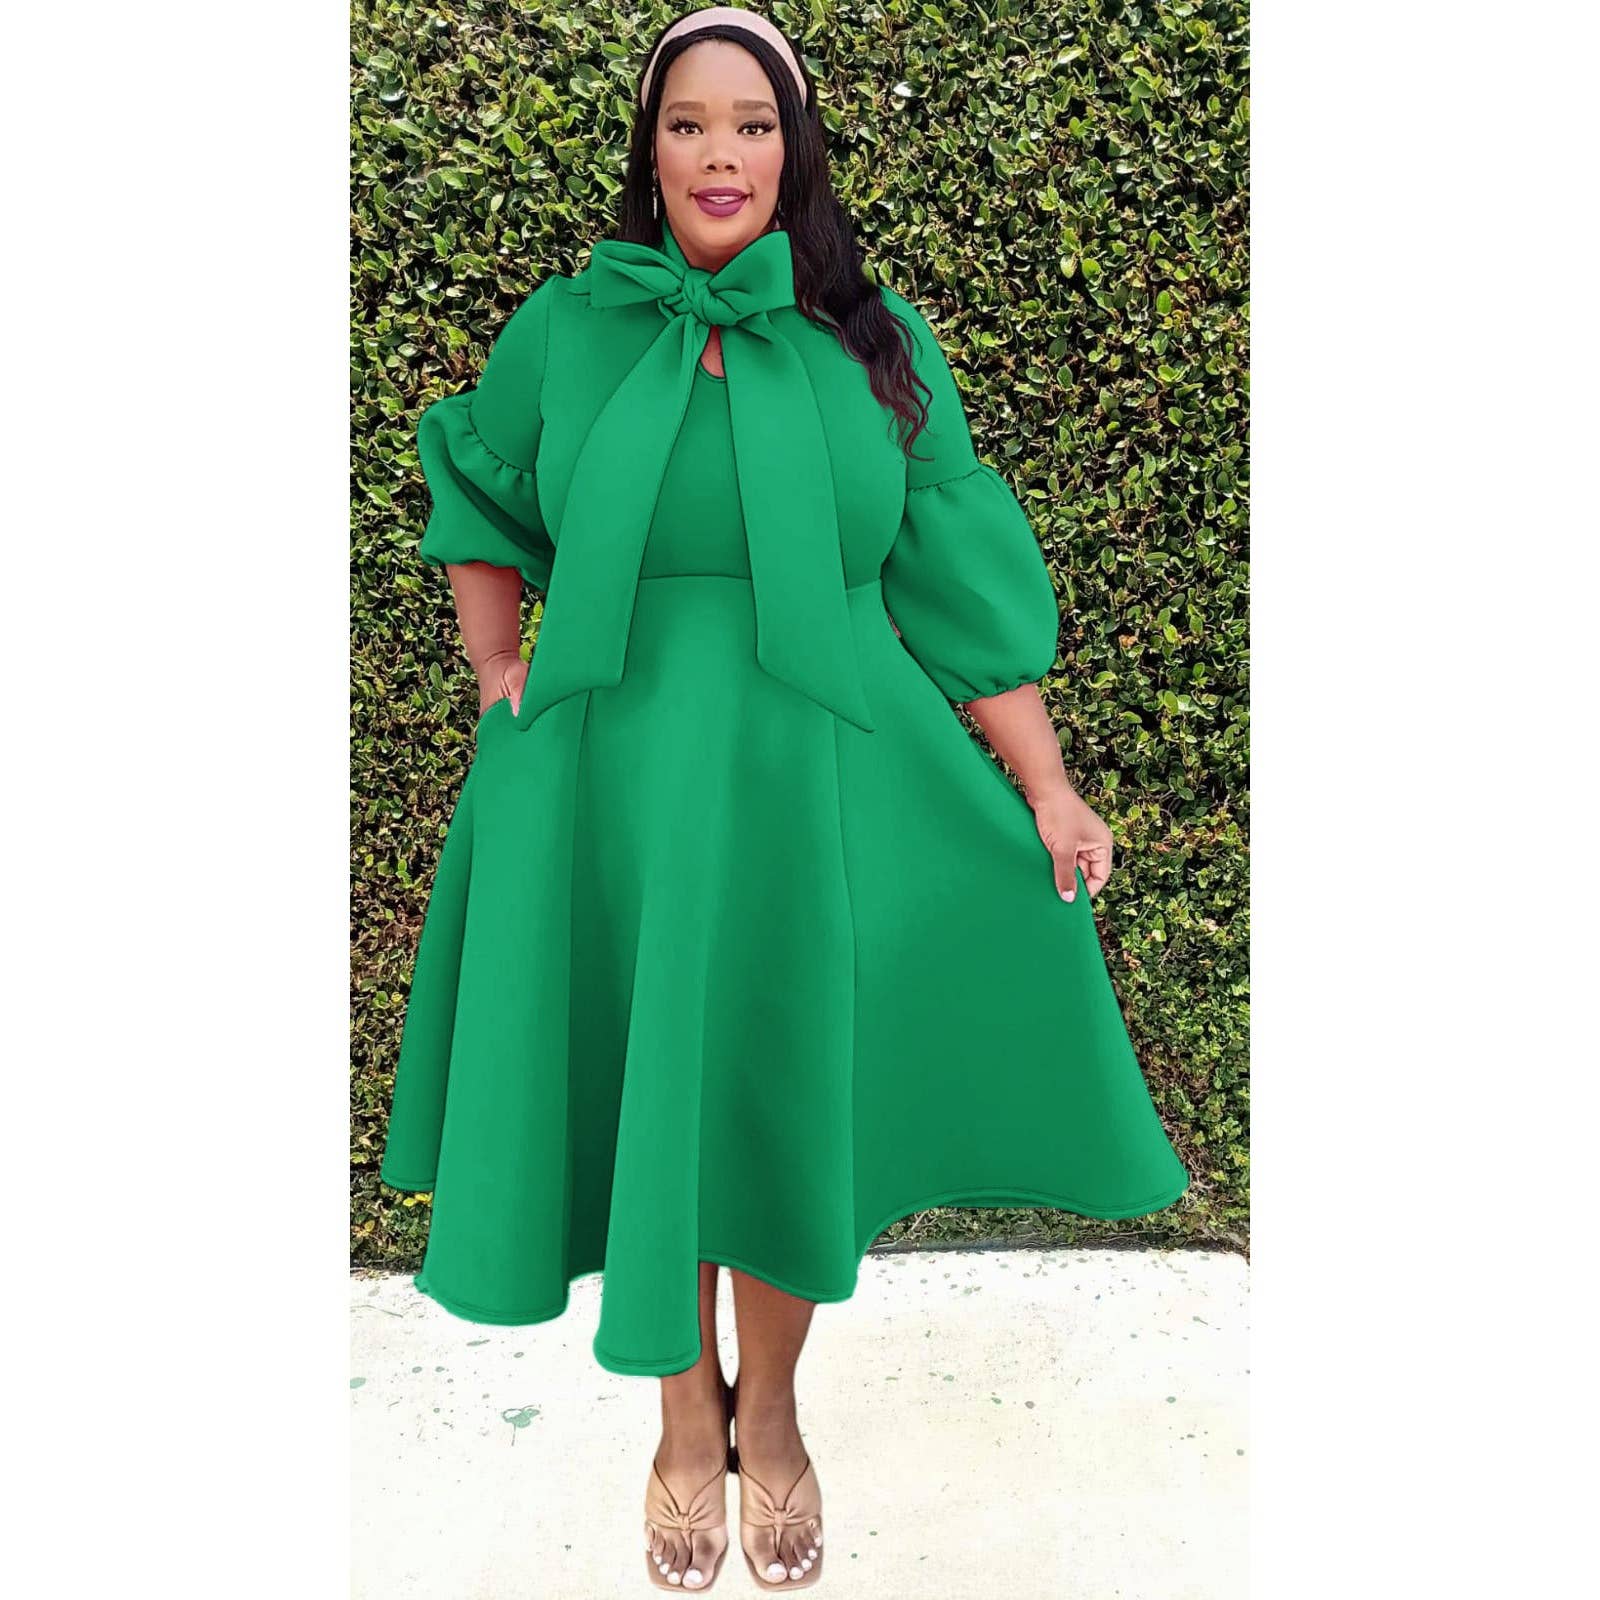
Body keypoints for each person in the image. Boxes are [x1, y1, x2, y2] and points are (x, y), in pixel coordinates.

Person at [379, 5, 1190, 1590]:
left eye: (751, 124)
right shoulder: (568, 326)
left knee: (777, 1095)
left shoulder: (877, 342)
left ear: (793, 149)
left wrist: (1048, 785)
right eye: (688, 123)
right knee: (660, 1093)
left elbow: (950, 574)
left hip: (820, 770)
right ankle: (686, 1421)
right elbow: (479, 487)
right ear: (651, 148)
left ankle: (775, 1409)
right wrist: (493, 673)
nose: (720, 153)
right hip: (614, 781)